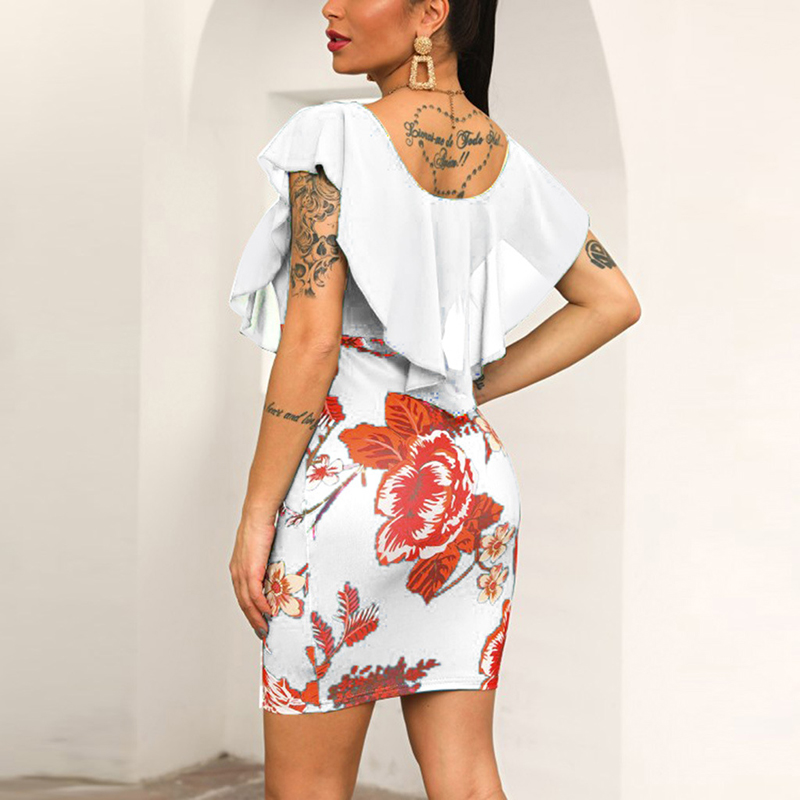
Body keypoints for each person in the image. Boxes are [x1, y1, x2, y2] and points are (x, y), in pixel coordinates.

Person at [228, 1, 640, 797]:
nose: (330, 6)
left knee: (308, 788)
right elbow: (612, 301)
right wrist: (464, 388)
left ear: (430, 12)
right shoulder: (502, 155)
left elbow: (311, 342)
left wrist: (256, 514)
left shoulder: (332, 135)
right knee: (467, 773)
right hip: (471, 486)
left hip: (352, 492)